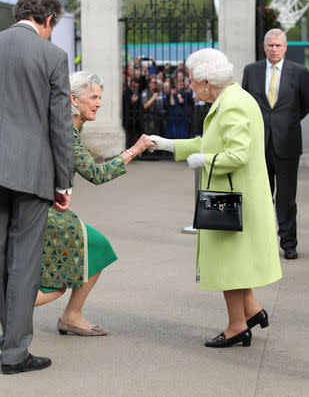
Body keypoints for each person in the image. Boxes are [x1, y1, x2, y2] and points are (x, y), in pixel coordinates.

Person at [148, 48, 282, 348]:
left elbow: (237, 154)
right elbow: (210, 142)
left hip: (232, 198)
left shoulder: (231, 104)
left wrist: (203, 159)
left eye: (192, 82)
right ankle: (252, 311)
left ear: (206, 82)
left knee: (228, 266)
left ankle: (237, 327)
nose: (190, 87)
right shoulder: (233, 98)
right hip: (238, 196)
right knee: (236, 261)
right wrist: (170, 145)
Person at [36, 71, 155, 336]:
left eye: (100, 97)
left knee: (91, 251)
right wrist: (135, 150)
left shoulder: (63, 125)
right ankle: (68, 315)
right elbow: (96, 173)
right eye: (93, 97)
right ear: (73, 99)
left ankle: (72, 315)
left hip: (42, 205)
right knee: (56, 285)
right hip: (45, 210)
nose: (99, 103)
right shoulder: (66, 130)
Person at [0, 0, 74, 374]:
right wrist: (64, 183)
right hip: (31, 171)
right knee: (24, 261)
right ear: (48, 21)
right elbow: (60, 125)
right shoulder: (53, 56)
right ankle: (14, 352)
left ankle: (5, 338)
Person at [242, 28, 309, 260]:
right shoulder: (251, 71)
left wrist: (286, 123)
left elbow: (305, 105)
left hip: (287, 144)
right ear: (264, 47)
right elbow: (245, 103)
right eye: (270, 45)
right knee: (259, 196)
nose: (274, 49)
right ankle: (260, 244)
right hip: (258, 144)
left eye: (278, 45)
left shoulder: (300, 72)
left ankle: (289, 244)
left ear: (285, 47)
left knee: (286, 199)